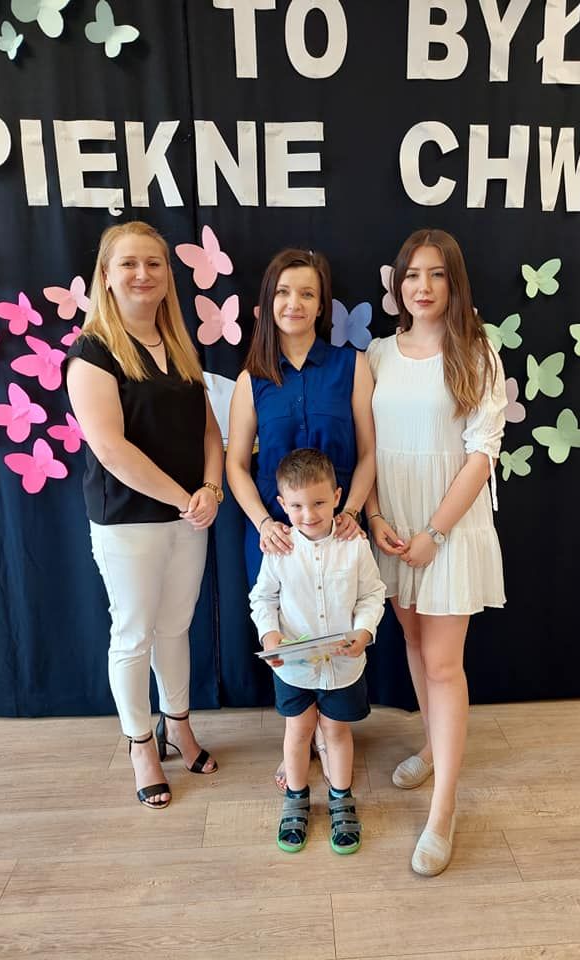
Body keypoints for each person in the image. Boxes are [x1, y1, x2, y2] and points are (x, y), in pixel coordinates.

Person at [67, 221, 224, 810]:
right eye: (129, 264)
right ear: (106, 276)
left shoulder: (179, 345)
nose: (143, 274)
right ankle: (140, 743)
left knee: (175, 627)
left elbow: (210, 431)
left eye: (154, 263)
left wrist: (211, 488)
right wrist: (186, 498)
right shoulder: (91, 353)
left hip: (190, 516)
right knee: (133, 634)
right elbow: (111, 449)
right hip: (129, 520)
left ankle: (177, 725)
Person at [365, 228, 506, 875]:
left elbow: (482, 455)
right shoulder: (377, 353)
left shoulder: (476, 351)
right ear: (398, 283)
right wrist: (375, 517)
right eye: (412, 274)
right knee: (415, 644)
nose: (422, 287)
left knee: (445, 664)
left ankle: (443, 808)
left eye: (436, 274)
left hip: (447, 528)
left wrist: (436, 534)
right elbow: (369, 447)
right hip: (393, 528)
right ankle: (430, 745)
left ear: (454, 281)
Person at [227, 248, 376, 790]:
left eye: (307, 293)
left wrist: (352, 510)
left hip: (339, 529)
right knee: (288, 633)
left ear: (322, 304)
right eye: (284, 292)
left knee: (337, 626)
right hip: (277, 538)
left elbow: (369, 452)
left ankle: (329, 737)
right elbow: (235, 465)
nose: (295, 303)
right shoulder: (252, 379)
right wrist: (263, 523)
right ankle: (298, 740)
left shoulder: (351, 366)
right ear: (268, 302)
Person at [249, 448, 385, 853]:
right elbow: (263, 599)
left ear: (338, 496)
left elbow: (372, 595)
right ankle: (296, 798)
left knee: (337, 732)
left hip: (343, 666)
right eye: (296, 506)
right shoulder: (279, 549)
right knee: (298, 731)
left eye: (319, 503)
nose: (308, 515)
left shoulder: (355, 546)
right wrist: (269, 636)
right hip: (293, 668)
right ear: (282, 504)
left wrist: (364, 631)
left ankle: (341, 798)